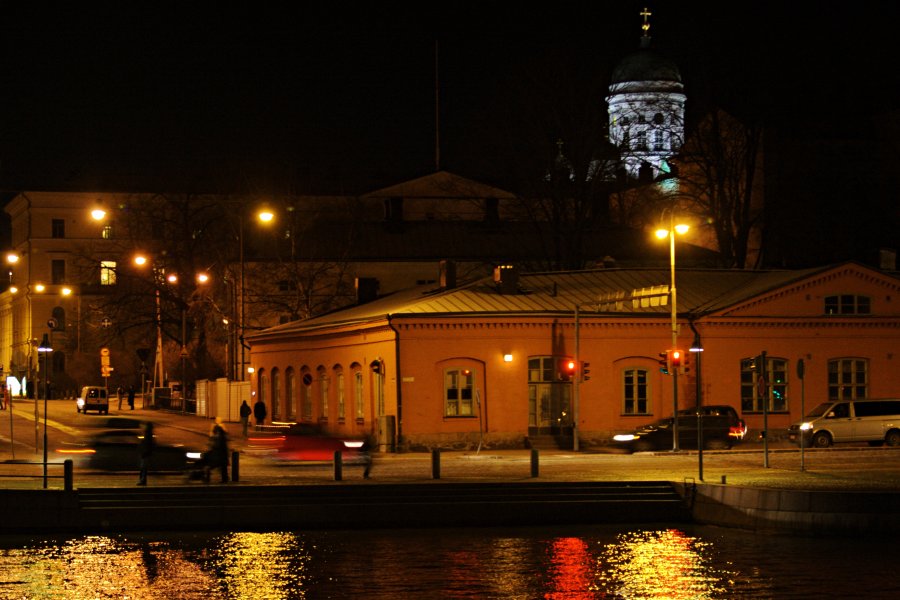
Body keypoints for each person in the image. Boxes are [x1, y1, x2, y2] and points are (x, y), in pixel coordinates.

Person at [205, 417, 229, 484]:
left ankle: (208, 478)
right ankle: (225, 479)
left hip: (219, 454)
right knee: (222, 467)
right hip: (221, 454)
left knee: (213, 466)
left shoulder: (219, 433)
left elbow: (215, 441)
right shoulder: (221, 433)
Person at [137, 421, 155, 486]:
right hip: (145, 453)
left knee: (143, 468)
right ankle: (142, 480)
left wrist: (144, 452)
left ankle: (143, 481)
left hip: (145, 454)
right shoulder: (147, 434)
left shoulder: (148, 434)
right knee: (143, 467)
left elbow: (147, 444)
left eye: (145, 425)